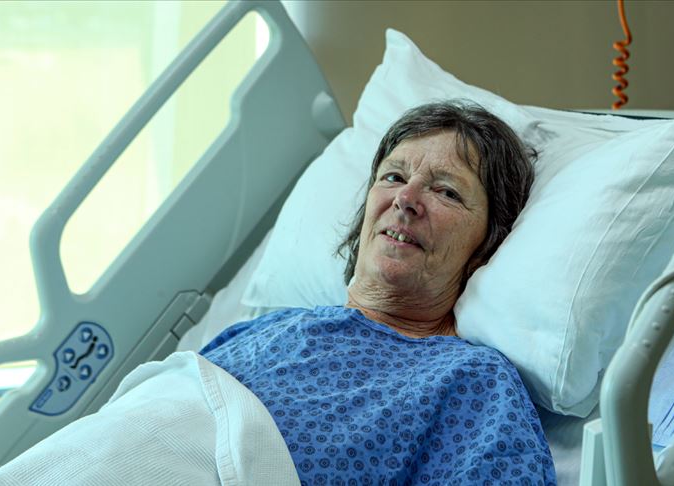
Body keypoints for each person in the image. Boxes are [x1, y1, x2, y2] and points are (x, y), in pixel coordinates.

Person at [199, 100, 557, 484]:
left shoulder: (473, 384)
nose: (406, 199)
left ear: (486, 246)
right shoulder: (263, 329)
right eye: (393, 177)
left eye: (447, 192)